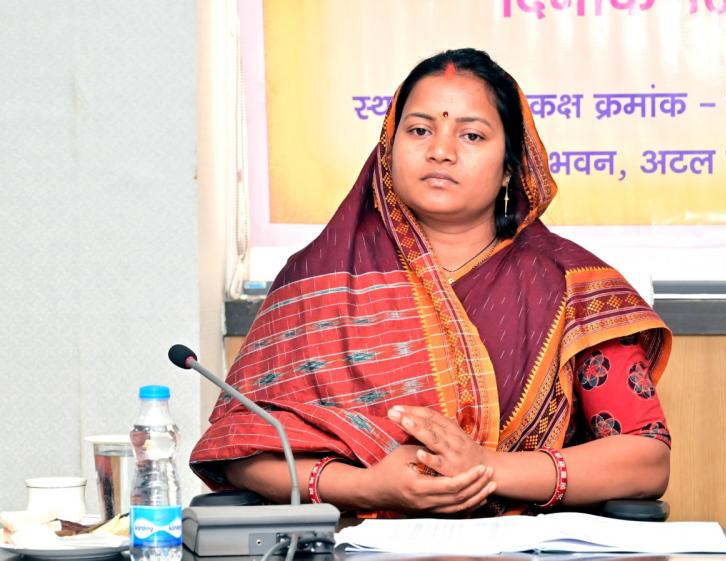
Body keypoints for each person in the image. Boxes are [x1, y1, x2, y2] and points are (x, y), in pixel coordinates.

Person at [190, 48, 672, 516]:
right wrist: (366, 487)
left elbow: (646, 459)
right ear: (388, 148)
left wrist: (487, 469)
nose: (440, 151)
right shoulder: (317, 280)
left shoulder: (568, 286)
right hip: (349, 543)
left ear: (510, 167)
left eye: (472, 135)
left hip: (523, 546)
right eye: (420, 130)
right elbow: (240, 444)